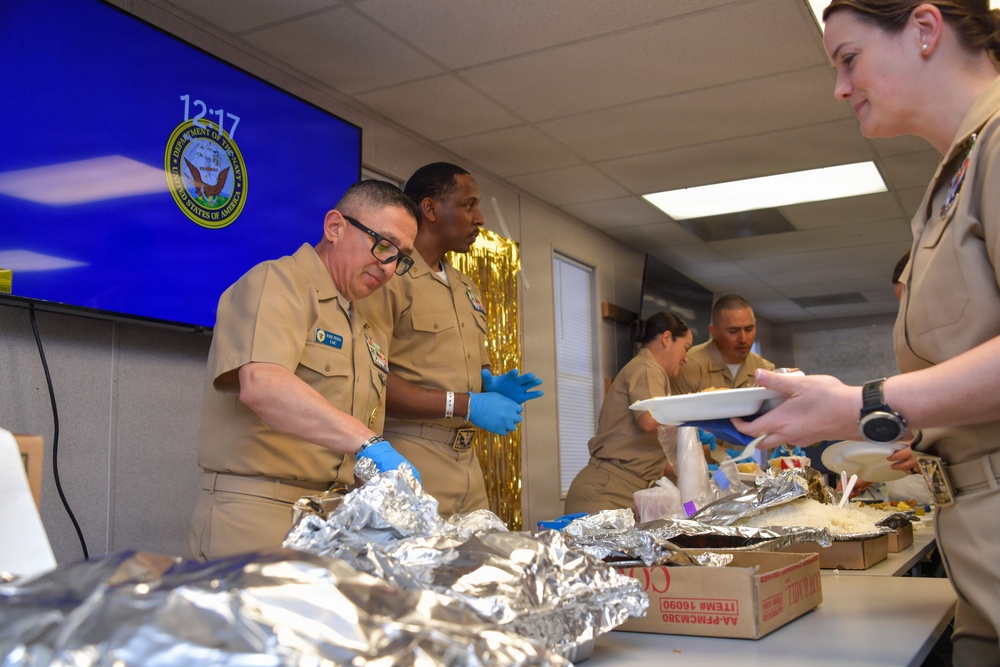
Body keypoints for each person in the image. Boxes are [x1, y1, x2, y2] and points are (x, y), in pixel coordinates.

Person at [734, 3, 1000, 664]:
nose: (840, 87)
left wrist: (864, 405)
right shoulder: (952, 180)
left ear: (924, 29)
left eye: (849, 59)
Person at [188, 180, 422, 560]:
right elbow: (262, 385)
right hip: (261, 514)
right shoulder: (278, 282)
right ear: (335, 227)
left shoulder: (365, 322)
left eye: (401, 257)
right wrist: (369, 444)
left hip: (333, 520)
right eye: (384, 245)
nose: (389, 266)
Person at [357, 162, 543, 517]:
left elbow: (469, 365)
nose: (480, 218)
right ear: (429, 209)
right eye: (468, 205)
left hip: (468, 463)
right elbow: (370, 382)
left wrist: (490, 384)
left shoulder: (465, 287)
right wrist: (466, 404)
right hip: (410, 454)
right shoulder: (389, 277)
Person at [563, 312, 692, 515]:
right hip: (606, 492)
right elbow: (648, 421)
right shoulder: (647, 367)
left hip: (626, 490)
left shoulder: (655, 374)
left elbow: (643, 454)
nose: (686, 358)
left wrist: (695, 468)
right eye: (686, 348)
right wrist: (696, 415)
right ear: (667, 338)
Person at [672, 294, 775, 460]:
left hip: (741, 473)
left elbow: (773, 424)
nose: (743, 339)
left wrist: (786, 448)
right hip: (694, 470)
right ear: (714, 332)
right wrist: (721, 455)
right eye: (733, 331)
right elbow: (672, 431)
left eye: (749, 329)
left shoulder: (765, 371)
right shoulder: (689, 365)